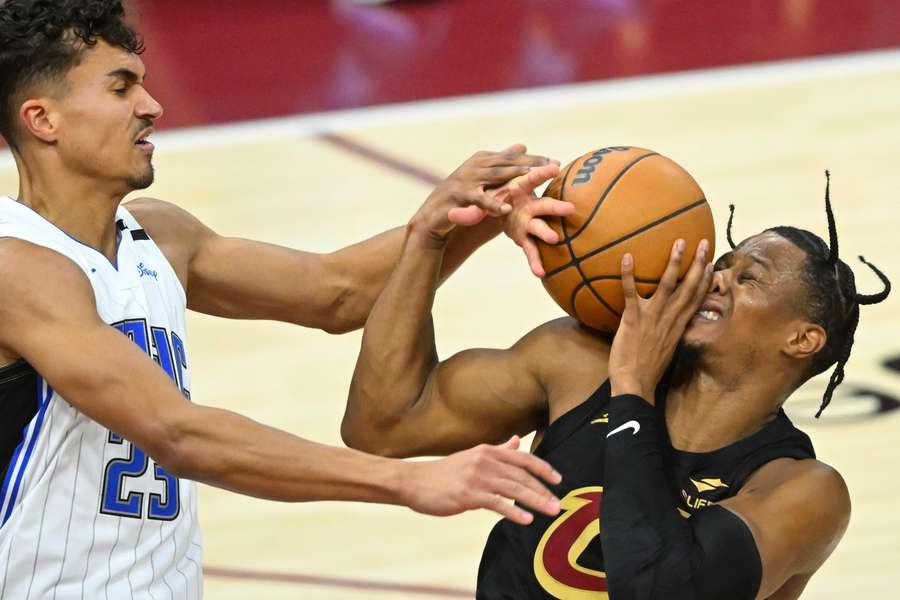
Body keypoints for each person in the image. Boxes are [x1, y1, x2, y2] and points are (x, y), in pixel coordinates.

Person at [0, 1, 575, 597]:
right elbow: (178, 433)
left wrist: (470, 215)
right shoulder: (16, 265)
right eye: (122, 89)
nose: (152, 106)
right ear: (44, 120)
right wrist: (407, 481)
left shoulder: (161, 236)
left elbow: (337, 293)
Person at [343, 162, 891, 598]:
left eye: (748, 278)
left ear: (801, 339)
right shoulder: (579, 361)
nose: (715, 279)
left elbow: (657, 588)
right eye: (721, 264)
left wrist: (633, 390)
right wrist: (427, 241)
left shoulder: (801, 492)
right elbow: (383, 424)